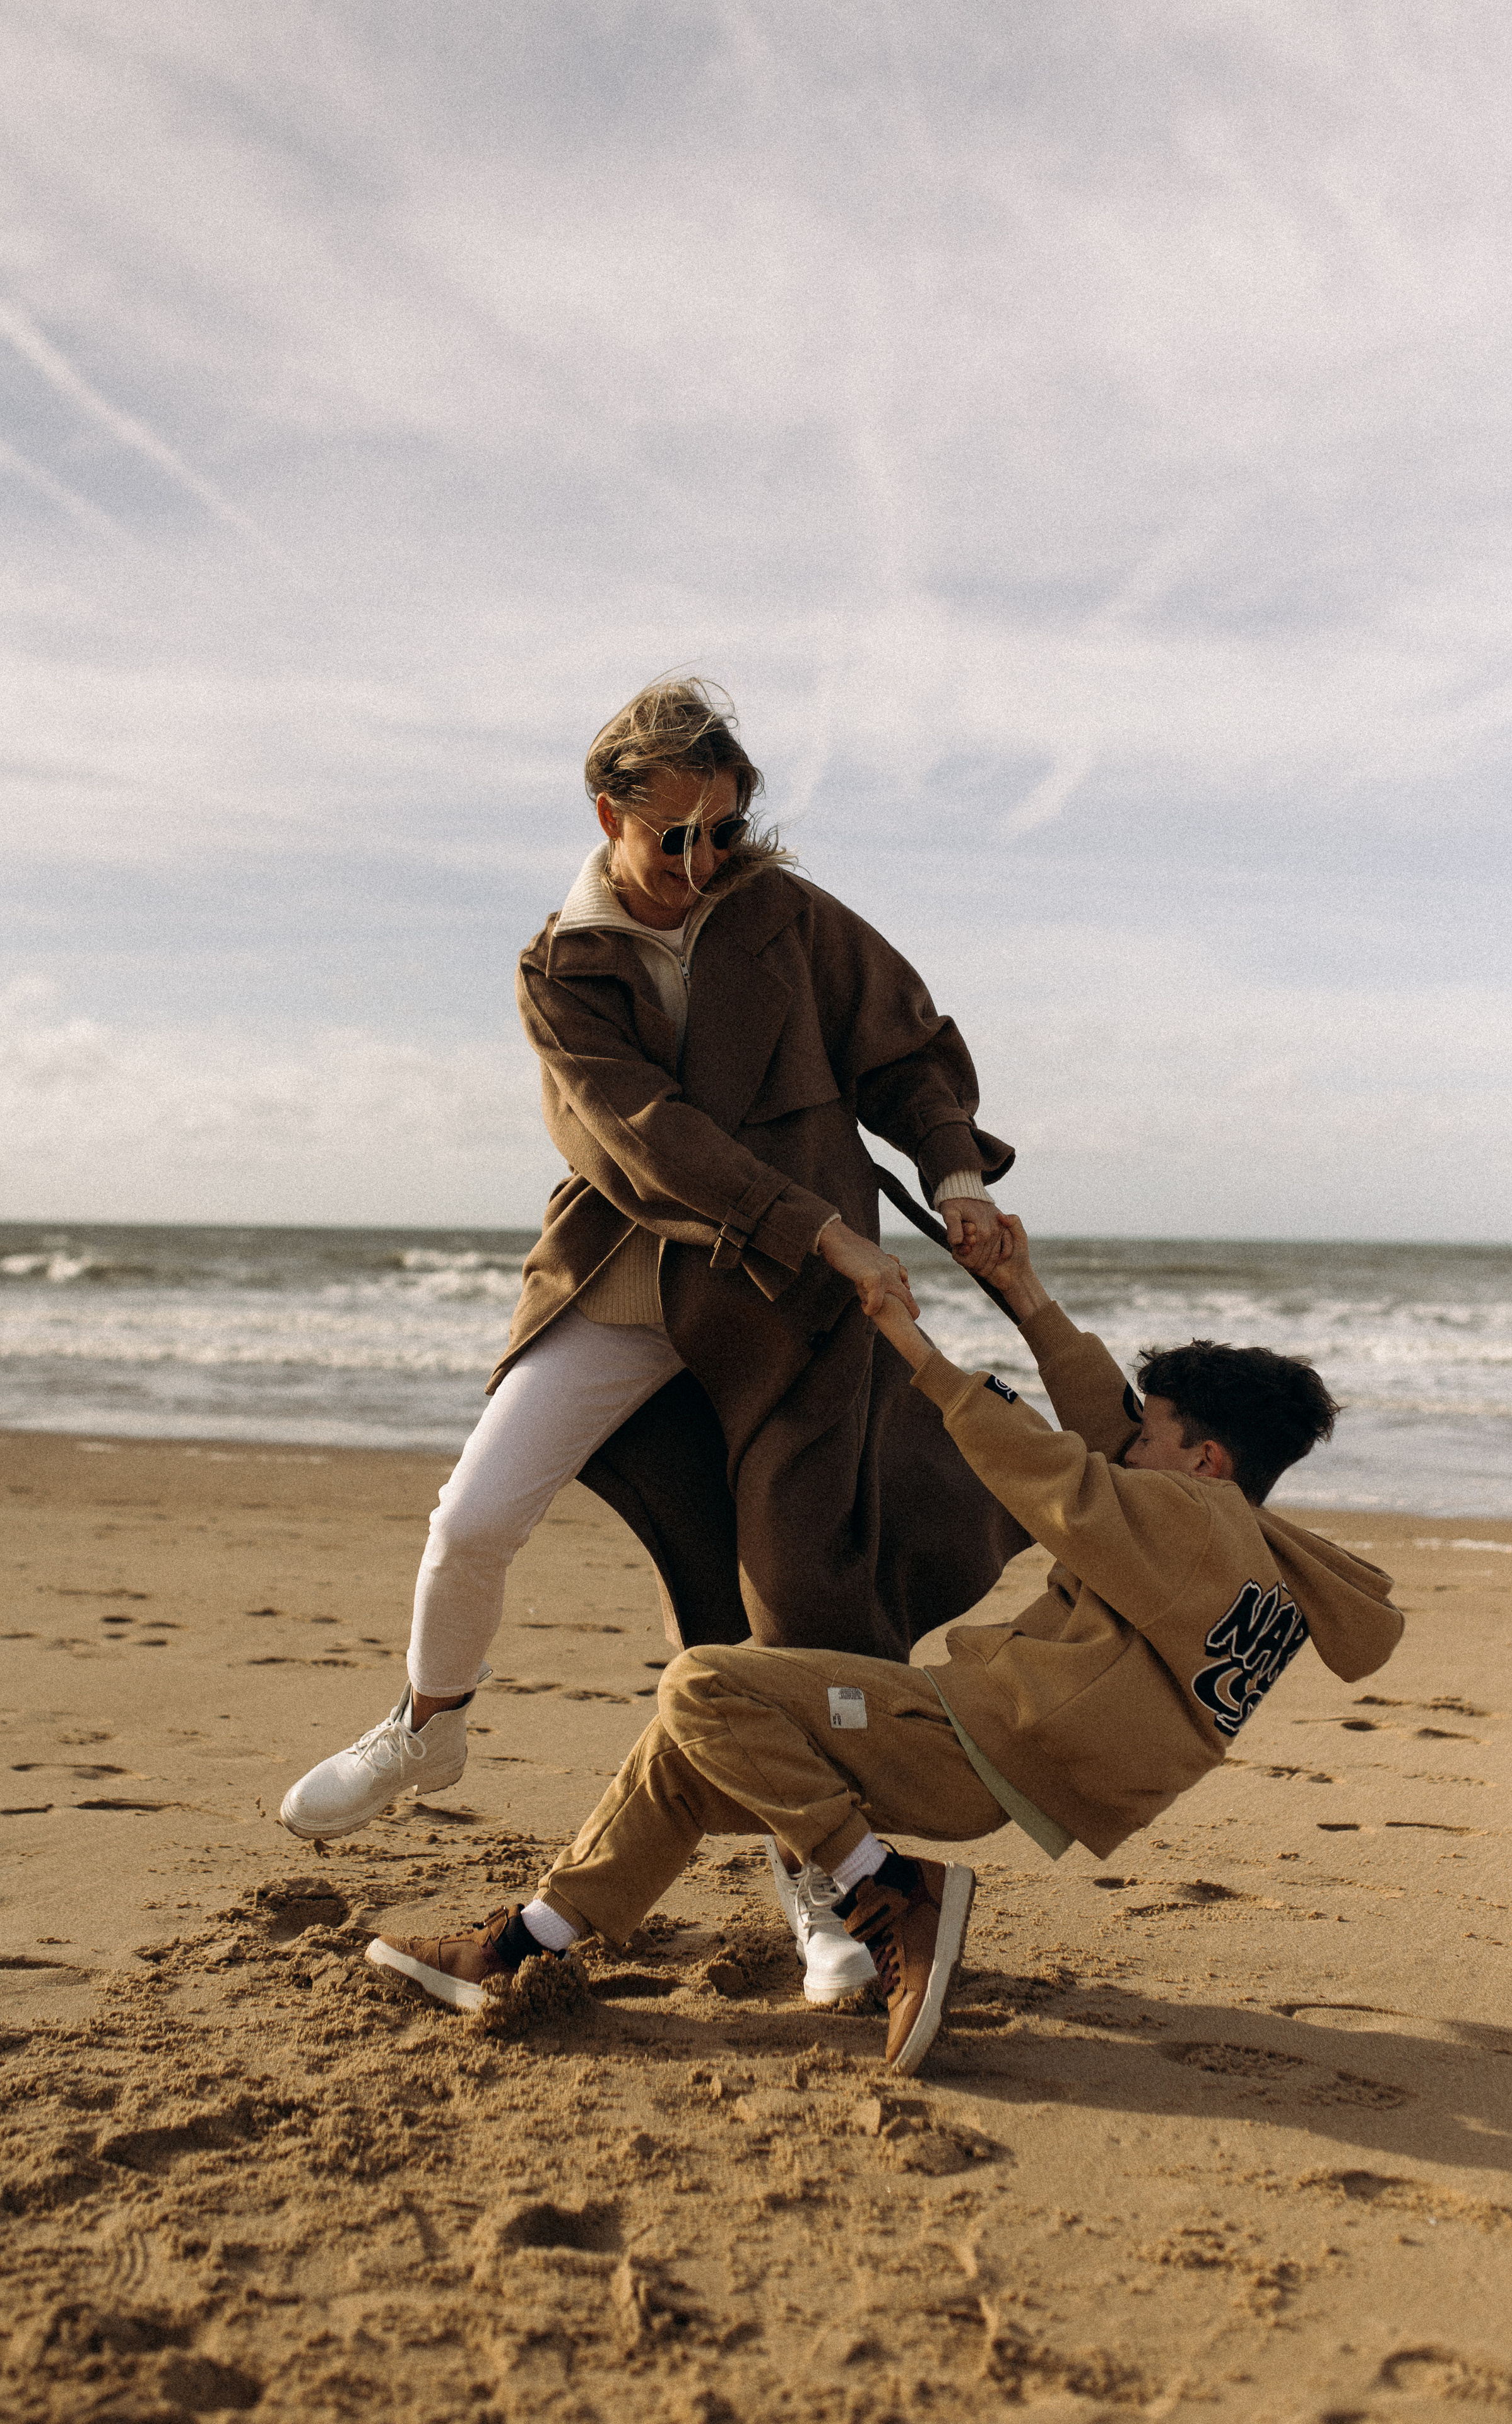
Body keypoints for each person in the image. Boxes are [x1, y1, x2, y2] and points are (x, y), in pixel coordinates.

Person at [281, 677, 1029, 2006]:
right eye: (671, 834)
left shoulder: (787, 921)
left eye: (722, 832)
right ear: (607, 809)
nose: (697, 863)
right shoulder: (556, 963)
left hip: (786, 1319)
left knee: (798, 1614)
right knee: (471, 1520)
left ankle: (825, 1890)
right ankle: (425, 1730)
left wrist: (954, 1180)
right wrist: (821, 1228)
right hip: (629, 1279)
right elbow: (645, 1136)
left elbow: (907, 1050)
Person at [363, 1215, 1405, 2076]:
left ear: (1207, 1461)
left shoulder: (1180, 1523)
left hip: (976, 1740)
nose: (1130, 1439)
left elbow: (1054, 1469)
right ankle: (519, 1948)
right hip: (1020, 1769)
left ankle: (890, 1896)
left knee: (703, 1687)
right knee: (682, 1765)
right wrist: (1024, 1291)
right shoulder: (1241, 1551)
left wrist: (911, 1341)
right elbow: (1102, 1427)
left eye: (1155, 1433)